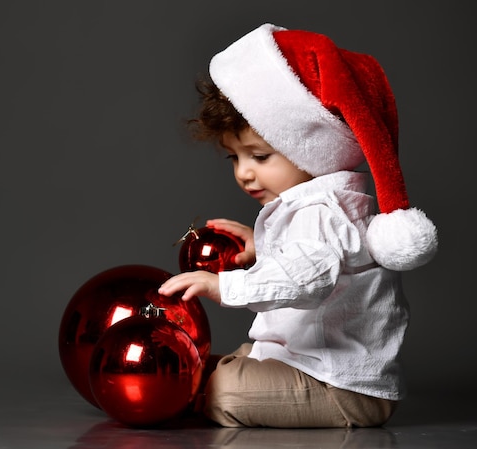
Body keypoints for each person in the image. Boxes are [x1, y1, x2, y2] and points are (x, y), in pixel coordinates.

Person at [158, 23, 438, 428]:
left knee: (224, 390)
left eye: (259, 156)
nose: (245, 174)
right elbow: (319, 261)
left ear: (311, 147)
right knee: (231, 360)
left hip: (342, 386)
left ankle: (199, 393)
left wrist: (224, 287)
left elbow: (307, 280)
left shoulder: (321, 212)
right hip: (315, 367)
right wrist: (263, 246)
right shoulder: (324, 205)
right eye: (234, 159)